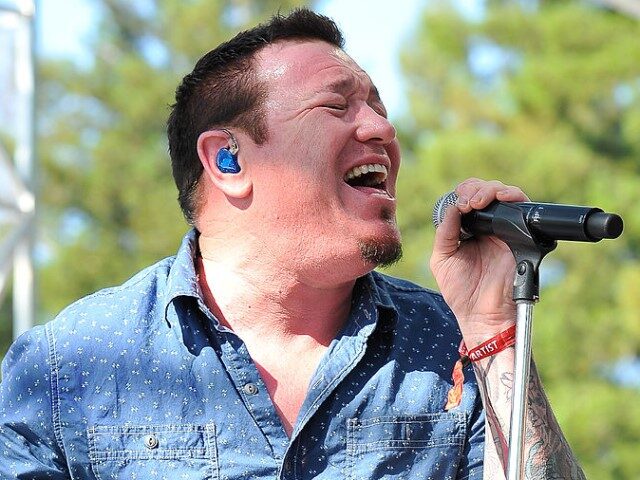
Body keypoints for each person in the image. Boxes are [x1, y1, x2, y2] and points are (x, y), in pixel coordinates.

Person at [0, 8, 585, 480]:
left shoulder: (454, 346)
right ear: (227, 159)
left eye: (380, 108)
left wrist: (492, 333)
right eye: (337, 105)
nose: (381, 128)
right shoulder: (65, 365)